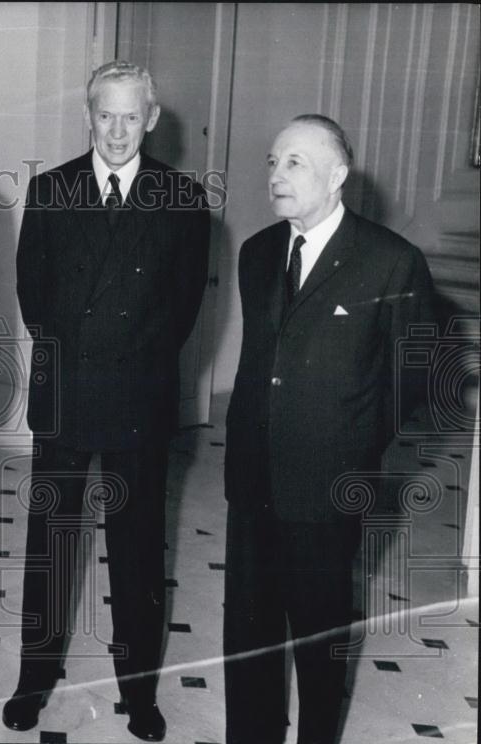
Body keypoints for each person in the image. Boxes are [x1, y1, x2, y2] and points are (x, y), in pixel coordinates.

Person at [6, 60, 210, 741]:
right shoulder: (51, 189)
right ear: (86, 116)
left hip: (139, 401)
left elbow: (181, 313)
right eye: (105, 115)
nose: (117, 130)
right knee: (50, 546)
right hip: (66, 394)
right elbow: (32, 296)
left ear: (151, 120)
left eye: (131, 116)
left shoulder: (183, 201)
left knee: (139, 550)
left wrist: (133, 363)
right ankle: (34, 678)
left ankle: (140, 693)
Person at [223, 114, 435, 744]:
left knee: (318, 634)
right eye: (271, 161)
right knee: (249, 630)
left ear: (338, 176)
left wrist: (352, 444)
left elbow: (414, 379)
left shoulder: (392, 262)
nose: (276, 175)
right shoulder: (257, 251)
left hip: (330, 482)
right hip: (251, 473)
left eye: (295, 163)